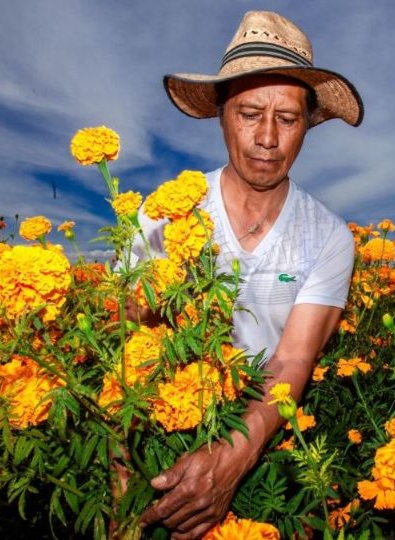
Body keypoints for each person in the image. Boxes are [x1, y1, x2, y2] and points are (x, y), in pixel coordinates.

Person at [133, 11, 364, 539]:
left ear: (308, 126)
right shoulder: (163, 214)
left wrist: (233, 457)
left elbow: (292, 359)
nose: (266, 137)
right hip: (156, 433)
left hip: (263, 436)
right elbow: (121, 335)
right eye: (249, 112)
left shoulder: (329, 237)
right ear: (221, 116)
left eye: (287, 119)